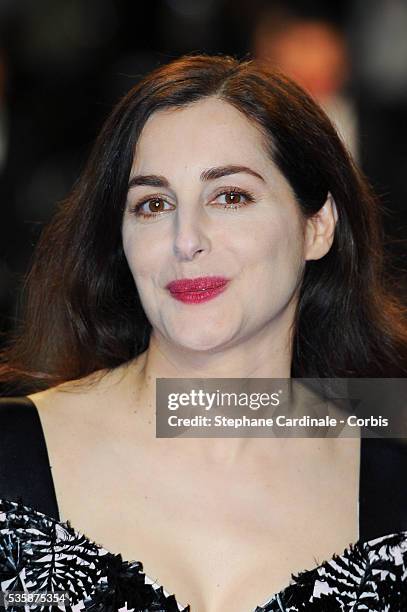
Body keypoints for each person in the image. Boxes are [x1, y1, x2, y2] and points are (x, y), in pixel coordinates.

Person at [0, 54, 407, 612]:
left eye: (230, 196)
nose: (185, 239)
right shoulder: (10, 454)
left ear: (317, 226)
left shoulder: (394, 481)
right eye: (153, 204)